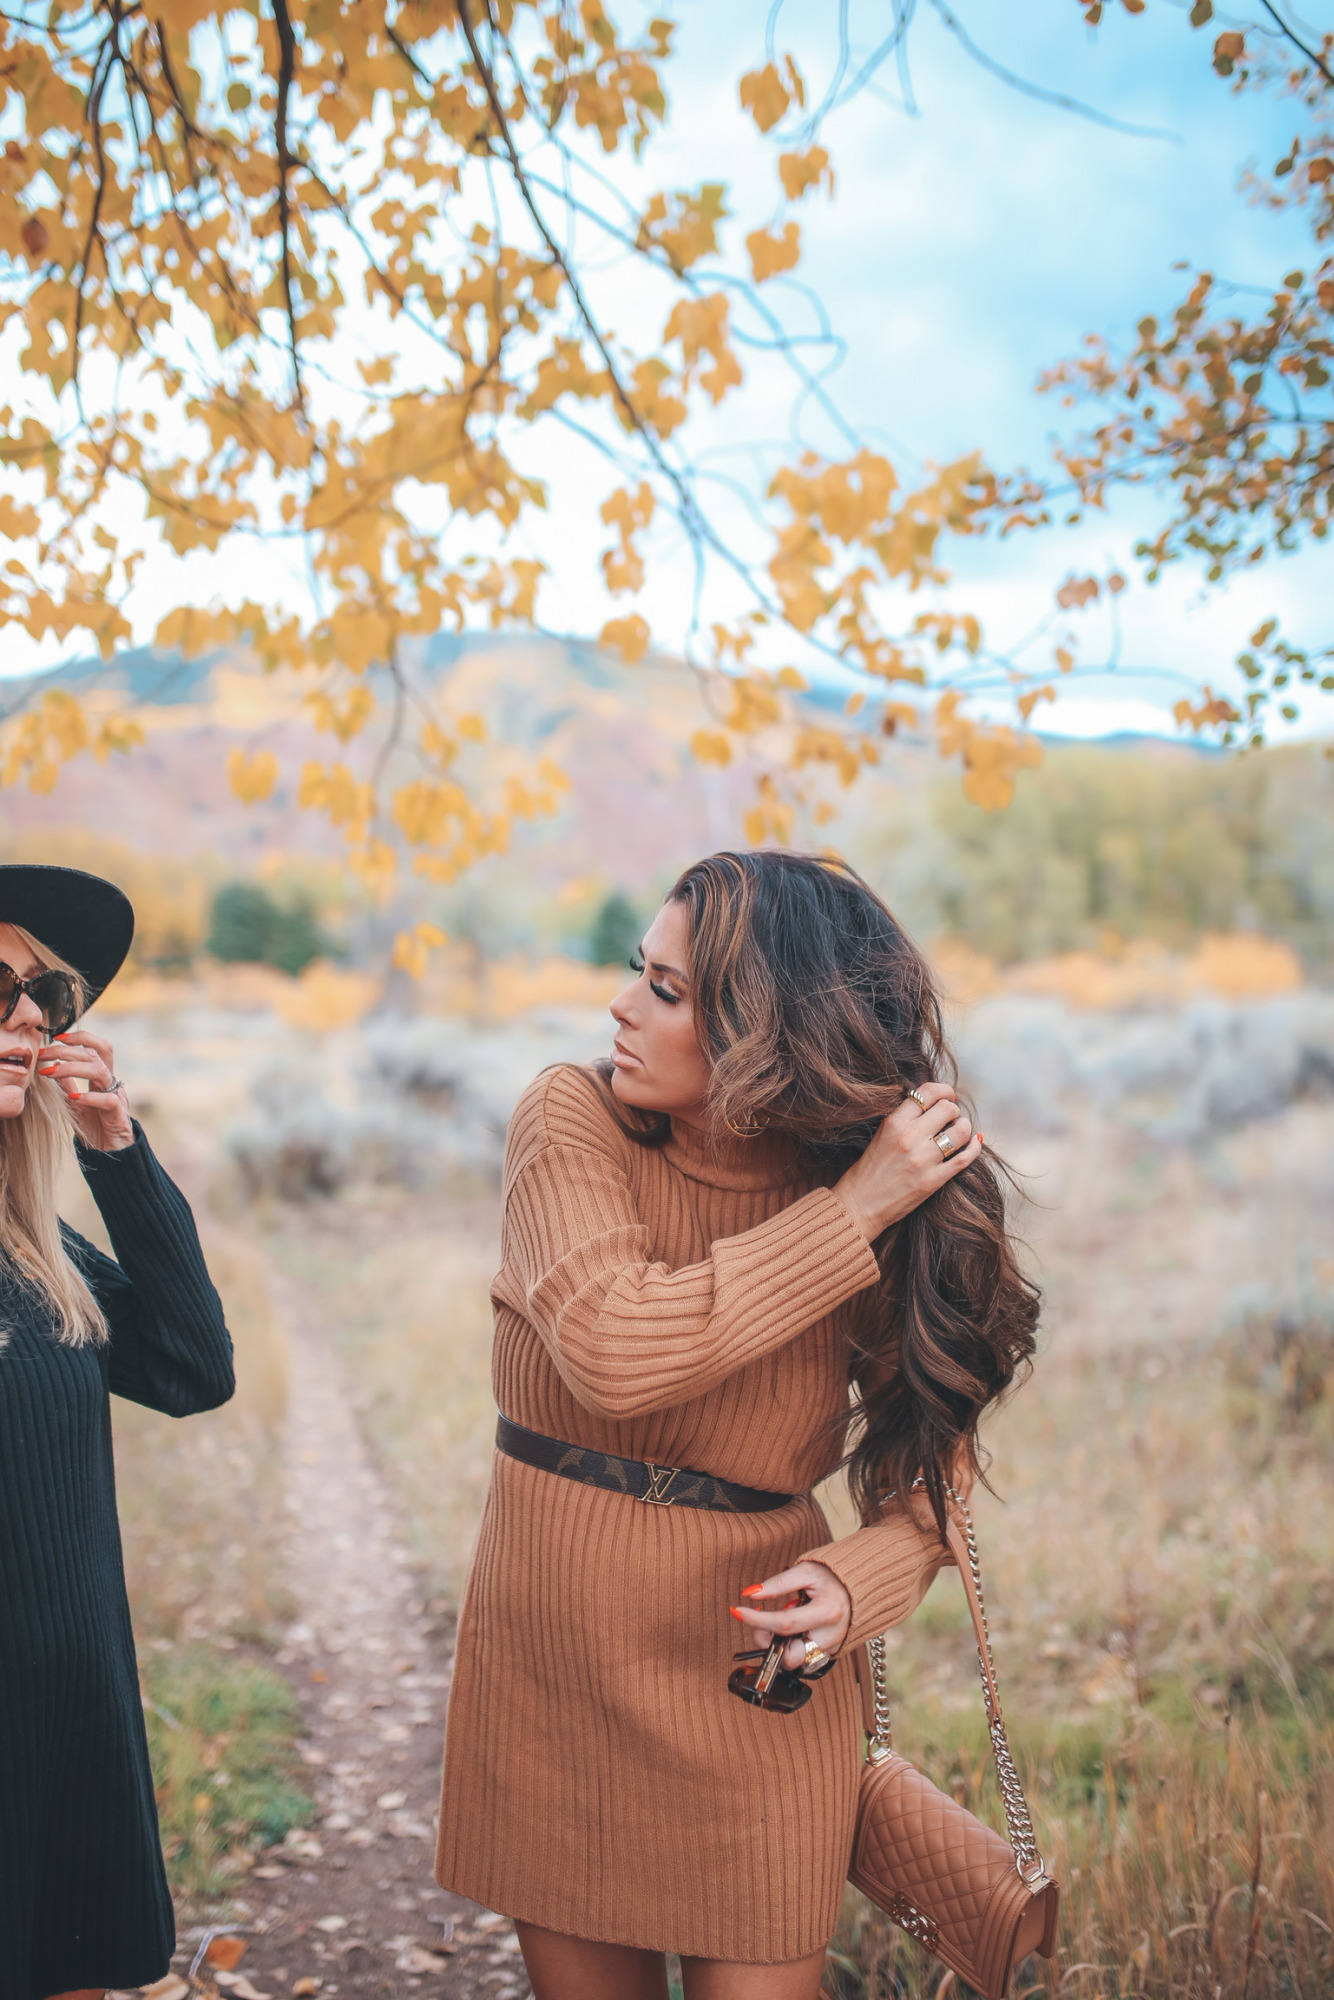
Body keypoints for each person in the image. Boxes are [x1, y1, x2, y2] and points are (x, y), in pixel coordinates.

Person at [435, 850, 1041, 1999]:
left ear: (770, 1028)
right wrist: (852, 1210)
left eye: (666, 990)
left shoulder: (867, 1178)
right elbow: (614, 1349)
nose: (619, 1006)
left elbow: (930, 1475)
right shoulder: (570, 1118)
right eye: (636, 970)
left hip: (753, 1680)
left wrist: (857, 1578)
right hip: (552, 1664)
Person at [0, 866, 235, 2000]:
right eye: (3, 984)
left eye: (49, 991)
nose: (37, 1013)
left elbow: (193, 1368)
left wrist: (116, 1149)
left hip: (66, 1721)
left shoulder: (36, 1247)